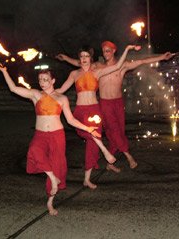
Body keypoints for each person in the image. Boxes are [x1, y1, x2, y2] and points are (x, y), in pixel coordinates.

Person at [0, 64, 100, 216]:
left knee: (57, 165)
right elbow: (14, 89)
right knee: (34, 151)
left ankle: (50, 201)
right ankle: (52, 176)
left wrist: (88, 128)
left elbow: (70, 120)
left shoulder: (62, 98)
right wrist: (5, 71)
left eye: (46, 79)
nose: (42, 82)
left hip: (57, 135)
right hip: (41, 135)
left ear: (53, 80)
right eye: (40, 80)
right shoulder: (36, 95)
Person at [57, 41, 173, 173]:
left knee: (118, 131)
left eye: (108, 51)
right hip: (104, 103)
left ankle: (109, 163)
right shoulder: (98, 67)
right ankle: (128, 155)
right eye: (103, 51)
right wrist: (65, 58)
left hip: (118, 102)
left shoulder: (122, 65)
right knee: (113, 130)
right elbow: (80, 63)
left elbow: (142, 61)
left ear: (113, 51)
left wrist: (162, 57)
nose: (105, 54)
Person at [56, 44, 140, 189]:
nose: (84, 59)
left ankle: (86, 179)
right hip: (81, 111)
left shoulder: (97, 72)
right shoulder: (74, 74)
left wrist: (126, 49)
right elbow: (61, 89)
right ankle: (105, 151)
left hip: (95, 110)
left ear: (91, 58)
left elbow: (118, 65)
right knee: (91, 134)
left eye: (86, 56)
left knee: (92, 144)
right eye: (81, 57)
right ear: (79, 59)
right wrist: (46, 92)